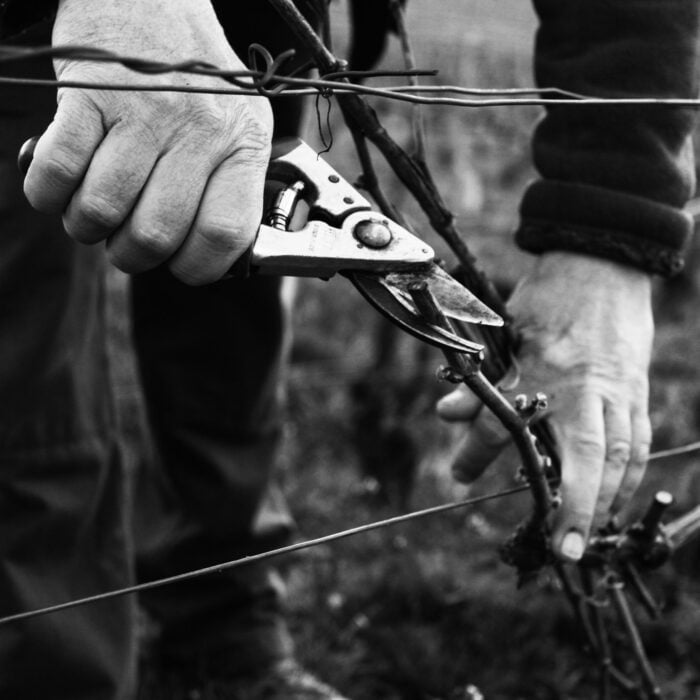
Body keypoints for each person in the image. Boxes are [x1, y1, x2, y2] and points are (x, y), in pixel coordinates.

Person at [0, 0, 697, 698]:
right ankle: (48, 667)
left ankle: (225, 625)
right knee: (23, 353)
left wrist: (608, 231)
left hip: (261, 22)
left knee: (230, 292)